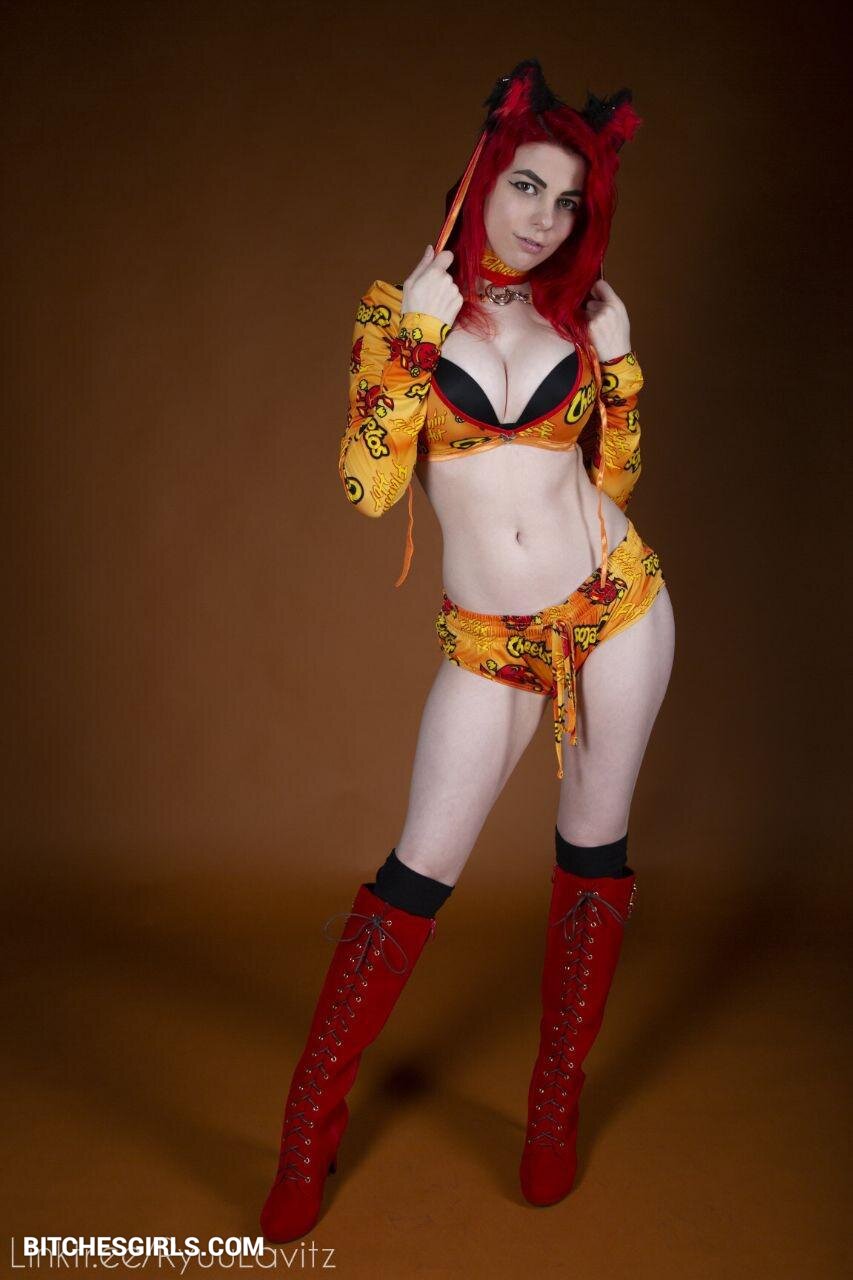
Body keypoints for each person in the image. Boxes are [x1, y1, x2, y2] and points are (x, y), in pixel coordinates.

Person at [260, 57, 675, 1242]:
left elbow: (613, 480)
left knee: (591, 851)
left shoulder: (574, 318)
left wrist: (621, 362)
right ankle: (304, 1133)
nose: (544, 220)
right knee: (415, 872)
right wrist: (409, 338)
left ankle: (552, 1108)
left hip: (615, 609)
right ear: (483, 175)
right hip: (489, 642)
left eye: (568, 204)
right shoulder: (403, 310)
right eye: (526, 188)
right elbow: (366, 484)